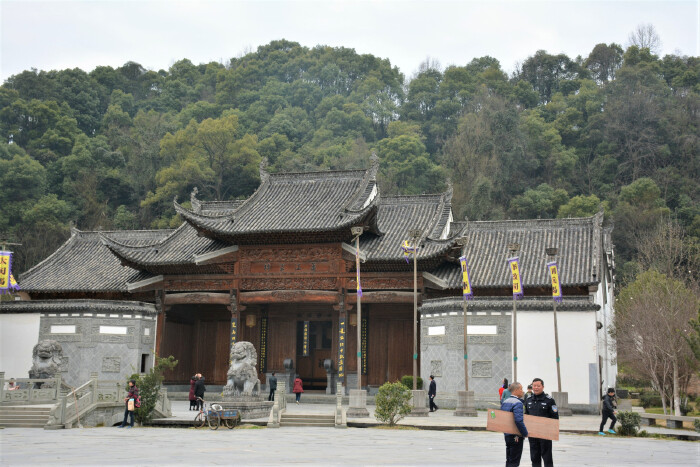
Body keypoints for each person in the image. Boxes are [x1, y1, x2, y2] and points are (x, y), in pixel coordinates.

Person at [525, 378, 558, 467]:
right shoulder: (528, 400)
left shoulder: (549, 400)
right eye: (534, 386)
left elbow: (555, 417)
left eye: (538, 386)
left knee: (547, 458)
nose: (536, 388)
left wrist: (551, 432)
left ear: (543, 387)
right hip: (533, 435)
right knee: (534, 458)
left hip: (545, 435)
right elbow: (526, 416)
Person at [501, 382, 528, 467]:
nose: (522, 391)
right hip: (516, 436)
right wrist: (525, 433)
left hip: (507, 434)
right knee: (514, 461)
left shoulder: (505, 401)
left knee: (509, 459)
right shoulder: (518, 403)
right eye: (521, 389)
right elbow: (519, 420)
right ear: (516, 390)